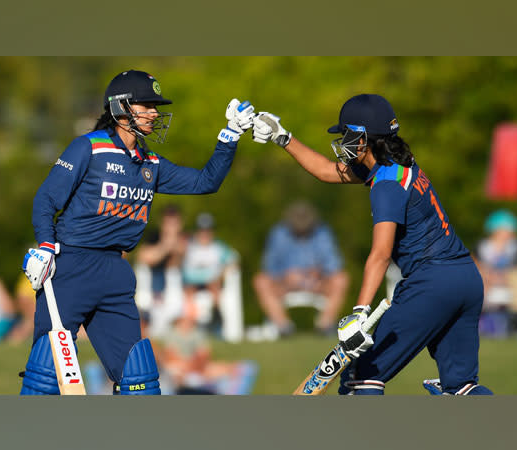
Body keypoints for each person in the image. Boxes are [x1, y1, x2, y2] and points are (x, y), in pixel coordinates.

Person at [19, 69, 256, 395]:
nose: (155, 112)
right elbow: (46, 199)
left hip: (116, 273)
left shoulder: (150, 162)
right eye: (146, 105)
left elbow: (206, 182)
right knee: (47, 374)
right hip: (70, 267)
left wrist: (229, 136)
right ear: (121, 108)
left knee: (139, 378)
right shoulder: (88, 147)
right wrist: (46, 246)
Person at [251, 94, 493, 395]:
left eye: (346, 136)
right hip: (466, 279)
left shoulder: (387, 186)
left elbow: (380, 255)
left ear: (364, 139)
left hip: (431, 283)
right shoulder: (399, 166)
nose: (342, 142)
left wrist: (359, 312)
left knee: (359, 378)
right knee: (462, 387)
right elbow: (327, 171)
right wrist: (282, 137)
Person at [252, 201, 349, 337]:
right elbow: (269, 266)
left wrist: (318, 273)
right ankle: (283, 327)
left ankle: (325, 325)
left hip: (319, 283)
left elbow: (334, 264)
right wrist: (286, 276)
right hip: (284, 284)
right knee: (260, 281)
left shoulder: (323, 232)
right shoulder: (279, 233)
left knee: (341, 279)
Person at [181, 212, 238, 327]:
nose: (205, 234)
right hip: (190, 282)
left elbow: (234, 261)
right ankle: (190, 321)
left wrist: (222, 274)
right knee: (189, 290)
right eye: (202, 230)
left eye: (207, 230)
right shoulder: (189, 246)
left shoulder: (218, 247)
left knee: (214, 286)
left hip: (212, 282)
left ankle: (216, 315)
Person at [474, 209, 517, 337]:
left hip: (509, 282)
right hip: (488, 281)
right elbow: (477, 266)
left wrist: (505, 276)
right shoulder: (483, 246)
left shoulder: (515, 247)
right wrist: (490, 276)